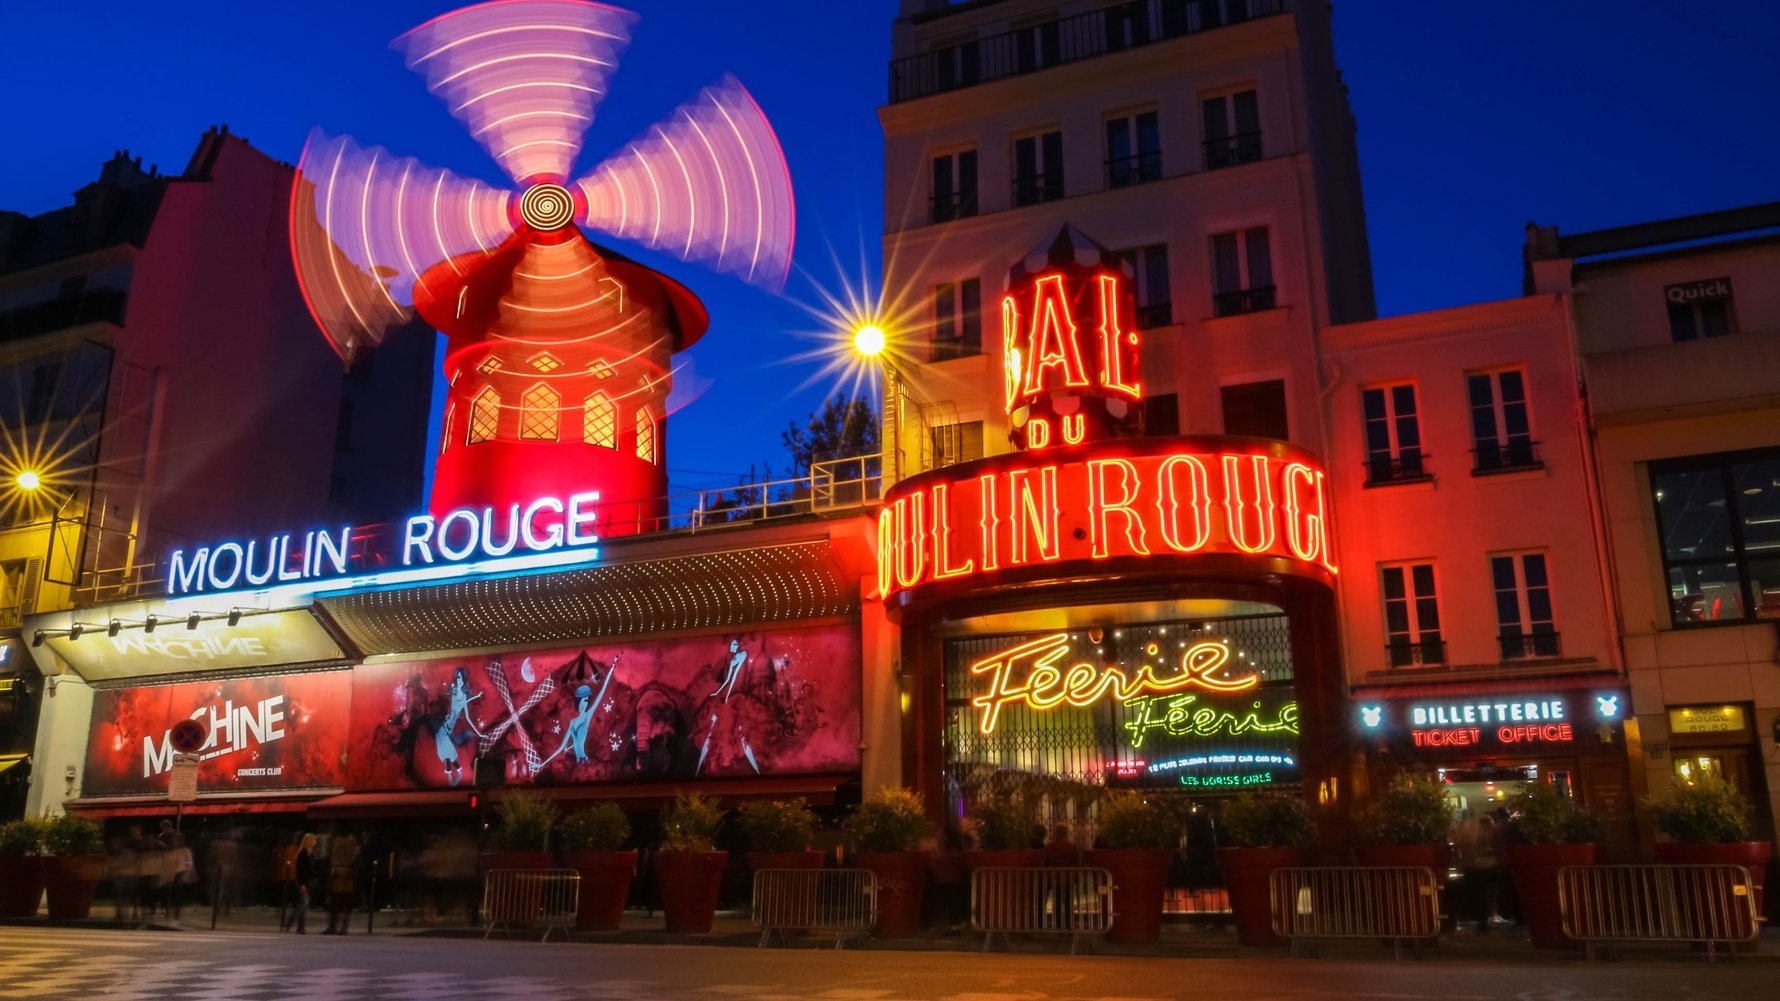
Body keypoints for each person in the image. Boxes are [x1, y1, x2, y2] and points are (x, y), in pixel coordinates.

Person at [324, 830, 360, 934]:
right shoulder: (350, 848)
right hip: (339, 880)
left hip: (344, 880)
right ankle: (335, 927)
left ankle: (339, 927)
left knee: (342, 905)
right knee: (336, 905)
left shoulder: (351, 849)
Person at [284, 833, 317, 933]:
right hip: (303, 881)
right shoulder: (303, 853)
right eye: (313, 840)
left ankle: (301, 928)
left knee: (304, 905)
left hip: (308, 881)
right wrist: (302, 883)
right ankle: (289, 923)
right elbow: (300, 870)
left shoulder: (309, 853)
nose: (315, 842)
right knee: (304, 903)